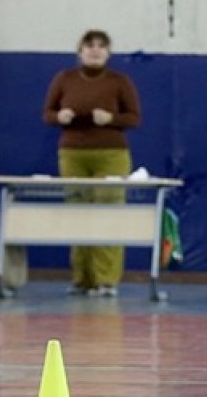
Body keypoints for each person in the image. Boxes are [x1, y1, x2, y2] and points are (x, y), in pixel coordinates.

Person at [42, 29, 141, 298]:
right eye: (90, 46)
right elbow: (47, 114)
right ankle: (81, 279)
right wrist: (59, 116)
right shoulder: (65, 79)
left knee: (108, 214)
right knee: (77, 213)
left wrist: (111, 120)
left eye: (101, 46)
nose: (95, 50)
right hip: (73, 153)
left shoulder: (120, 81)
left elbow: (134, 118)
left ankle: (106, 280)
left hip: (111, 153)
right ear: (80, 52)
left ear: (108, 53)